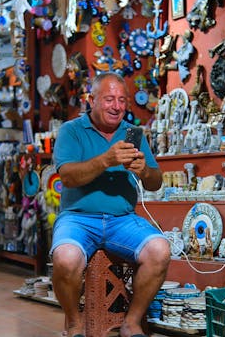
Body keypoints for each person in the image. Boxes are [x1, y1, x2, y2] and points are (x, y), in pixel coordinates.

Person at [51, 72, 171, 337]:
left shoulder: (132, 133)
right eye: (108, 99)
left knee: (160, 250)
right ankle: (74, 323)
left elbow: (155, 182)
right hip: (78, 218)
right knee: (65, 258)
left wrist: (144, 171)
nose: (116, 106)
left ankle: (132, 323)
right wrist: (106, 160)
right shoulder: (71, 131)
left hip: (122, 220)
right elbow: (68, 177)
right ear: (91, 100)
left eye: (121, 100)